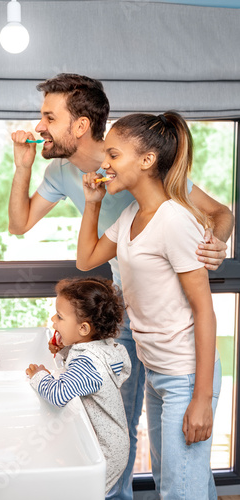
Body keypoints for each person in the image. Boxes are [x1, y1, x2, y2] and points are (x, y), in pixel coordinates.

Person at [9, 73, 233, 500]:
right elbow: (80, 255)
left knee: (179, 479)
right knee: (152, 457)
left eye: (48, 117)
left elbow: (206, 295)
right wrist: (75, 194)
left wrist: (214, 242)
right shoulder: (119, 211)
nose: (39, 127)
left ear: (80, 126)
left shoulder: (167, 203)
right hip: (144, 344)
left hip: (180, 360)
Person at [76, 111, 222, 500]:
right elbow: (86, 258)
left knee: (179, 490)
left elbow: (205, 311)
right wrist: (92, 202)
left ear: (146, 160)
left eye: (113, 154)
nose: (104, 163)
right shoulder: (131, 216)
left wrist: (201, 400)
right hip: (159, 371)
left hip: (186, 376)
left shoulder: (174, 220)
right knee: (180, 480)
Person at [26, 276, 131, 494]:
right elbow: (82, 378)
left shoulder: (87, 363)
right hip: (115, 446)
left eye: (60, 317)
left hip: (105, 451)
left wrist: (39, 376)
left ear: (83, 328)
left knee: (84, 494)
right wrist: (64, 350)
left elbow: (59, 395)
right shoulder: (102, 349)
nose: (53, 320)